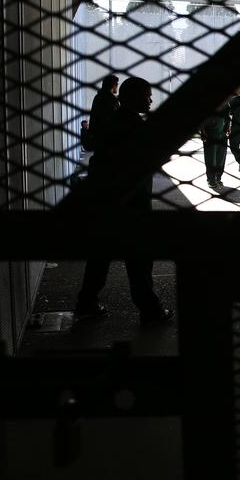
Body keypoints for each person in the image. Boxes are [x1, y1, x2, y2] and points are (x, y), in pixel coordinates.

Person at [73, 77, 172, 326]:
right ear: (133, 97)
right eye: (146, 95)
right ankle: (150, 310)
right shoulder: (133, 126)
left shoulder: (115, 122)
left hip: (107, 200)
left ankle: (87, 302)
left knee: (100, 255)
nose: (150, 99)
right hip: (131, 204)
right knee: (139, 259)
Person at [199, 101, 231, 191]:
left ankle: (218, 178)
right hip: (210, 134)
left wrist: (228, 128)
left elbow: (228, 117)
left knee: (221, 158)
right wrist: (203, 132)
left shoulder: (226, 103)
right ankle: (211, 180)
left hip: (222, 134)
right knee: (210, 158)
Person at [86, 74, 120, 152]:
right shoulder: (113, 101)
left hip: (97, 137)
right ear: (113, 85)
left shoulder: (98, 97)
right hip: (109, 140)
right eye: (117, 85)